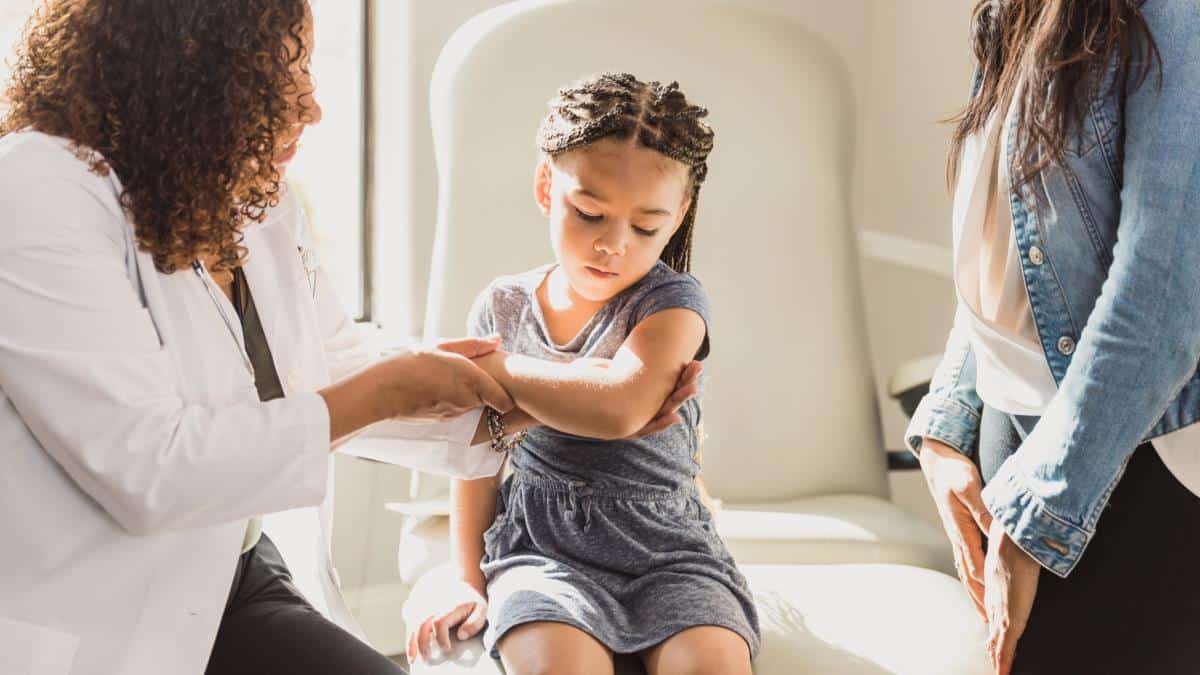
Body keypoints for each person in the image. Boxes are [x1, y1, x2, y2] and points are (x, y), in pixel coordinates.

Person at [0, 5, 696, 675]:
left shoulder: (245, 196)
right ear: (185, 74)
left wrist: (529, 400)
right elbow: (150, 468)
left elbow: (329, 362)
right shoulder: (35, 192)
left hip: (227, 577)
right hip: (99, 609)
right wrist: (393, 390)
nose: (310, 109)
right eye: (280, 79)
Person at [405, 72, 759, 675]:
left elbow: (617, 408)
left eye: (646, 226)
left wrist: (497, 371)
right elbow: (476, 455)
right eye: (590, 213)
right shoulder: (504, 305)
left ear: (679, 215)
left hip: (669, 550)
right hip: (543, 552)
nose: (613, 244)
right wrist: (467, 579)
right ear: (546, 186)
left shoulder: (673, 304)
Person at [908, 1, 1200, 673]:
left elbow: (1159, 301)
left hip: (1124, 464)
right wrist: (949, 422)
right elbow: (1004, 246)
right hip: (1012, 448)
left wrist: (1042, 507)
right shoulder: (1018, 10)